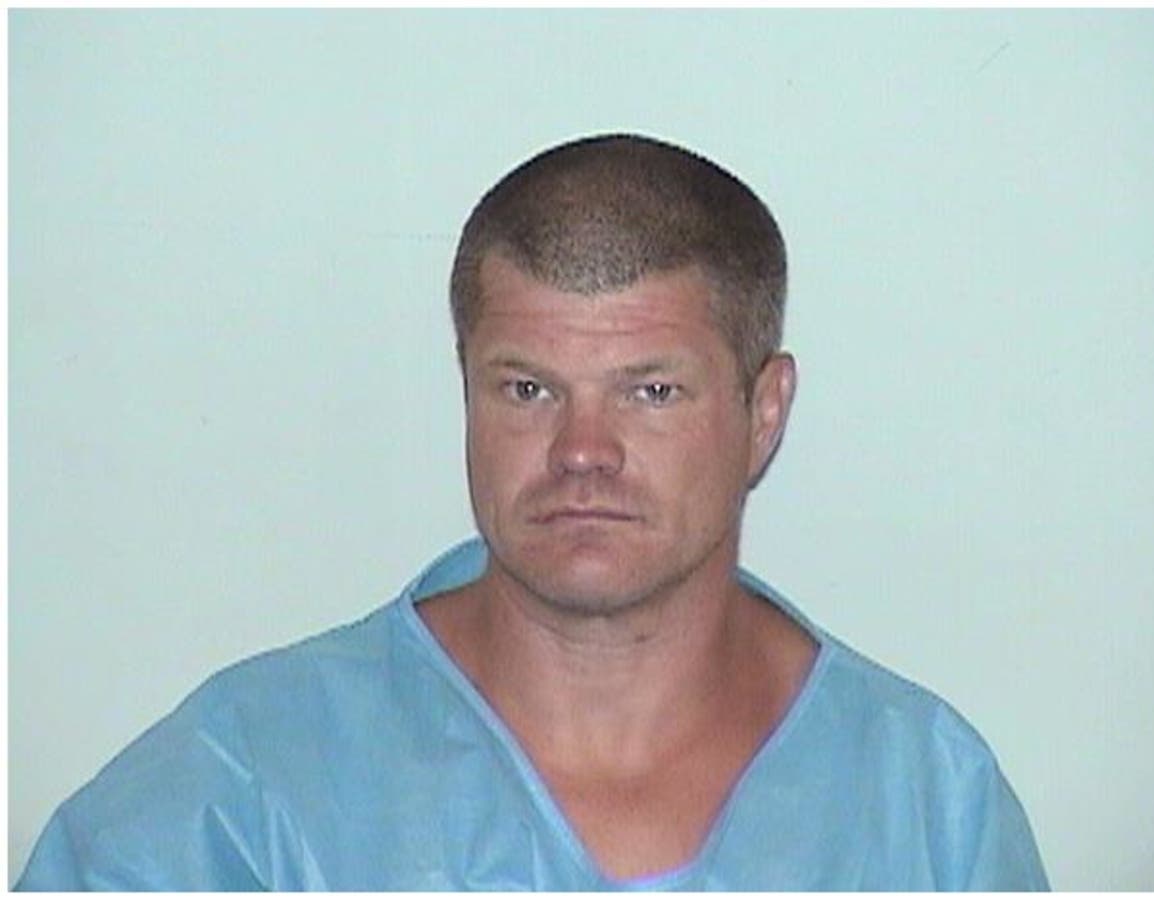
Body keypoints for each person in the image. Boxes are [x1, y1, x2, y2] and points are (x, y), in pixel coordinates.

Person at [17, 134, 1049, 891]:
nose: (581, 451)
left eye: (651, 391)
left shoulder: (926, 805)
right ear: (466, 391)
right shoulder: (241, 794)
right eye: (527, 389)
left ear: (763, 411)